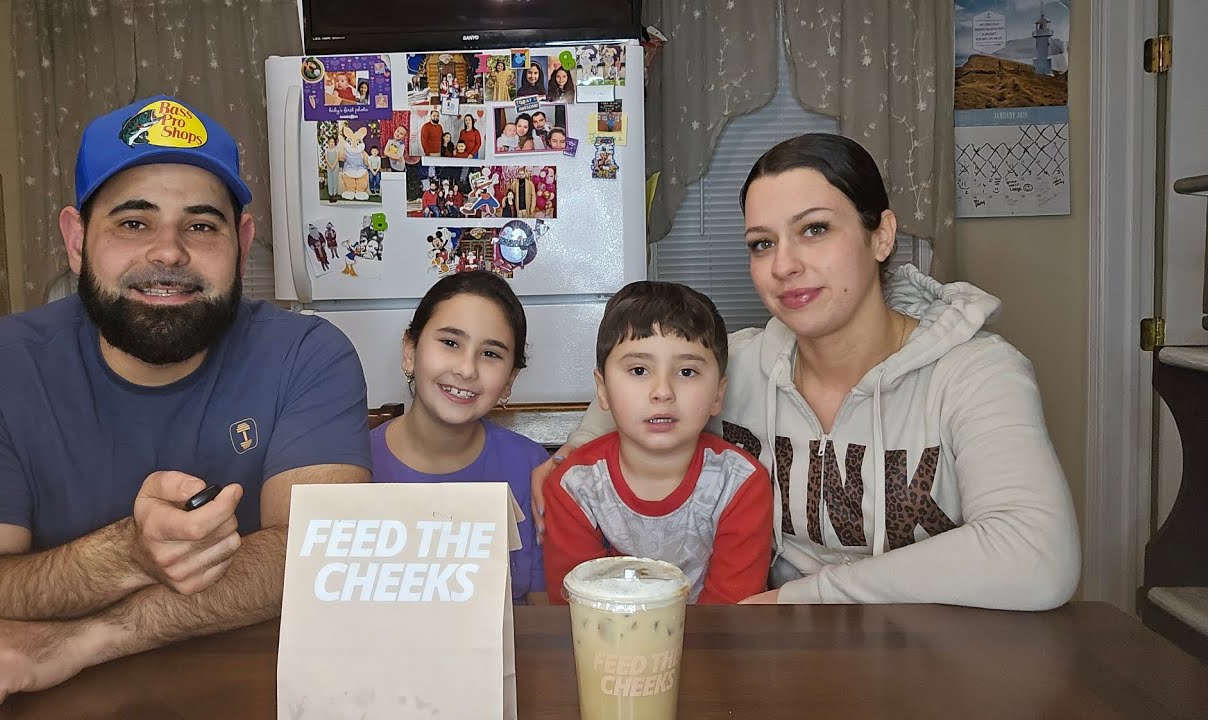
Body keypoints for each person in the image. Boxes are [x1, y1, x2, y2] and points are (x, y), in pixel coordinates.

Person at [0, 95, 372, 710]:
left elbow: (318, 552)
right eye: (133, 223)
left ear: (242, 244)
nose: (169, 252)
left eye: (201, 225)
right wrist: (124, 554)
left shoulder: (307, 354)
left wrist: (78, 639)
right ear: (77, 240)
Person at [532, 133, 1081, 610]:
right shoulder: (737, 365)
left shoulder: (976, 374)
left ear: (881, 235)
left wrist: (801, 597)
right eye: (762, 243)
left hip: (934, 658)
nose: (783, 264)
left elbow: (1038, 555)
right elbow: (624, 401)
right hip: (783, 657)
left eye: (814, 229)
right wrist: (563, 458)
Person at [542, 281, 772, 604]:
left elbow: (729, 619)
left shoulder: (739, 485)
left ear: (718, 393)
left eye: (688, 372)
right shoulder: (575, 489)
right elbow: (577, 610)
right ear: (603, 389)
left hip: (711, 650)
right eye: (639, 370)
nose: (662, 391)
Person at [371, 271, 547, 605]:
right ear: (410, 351)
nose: (467, 369)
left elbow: (544, 614)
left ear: (510, 379)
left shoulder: (533, 469)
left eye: (491, 354)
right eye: (450, 343)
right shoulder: (350, 468)